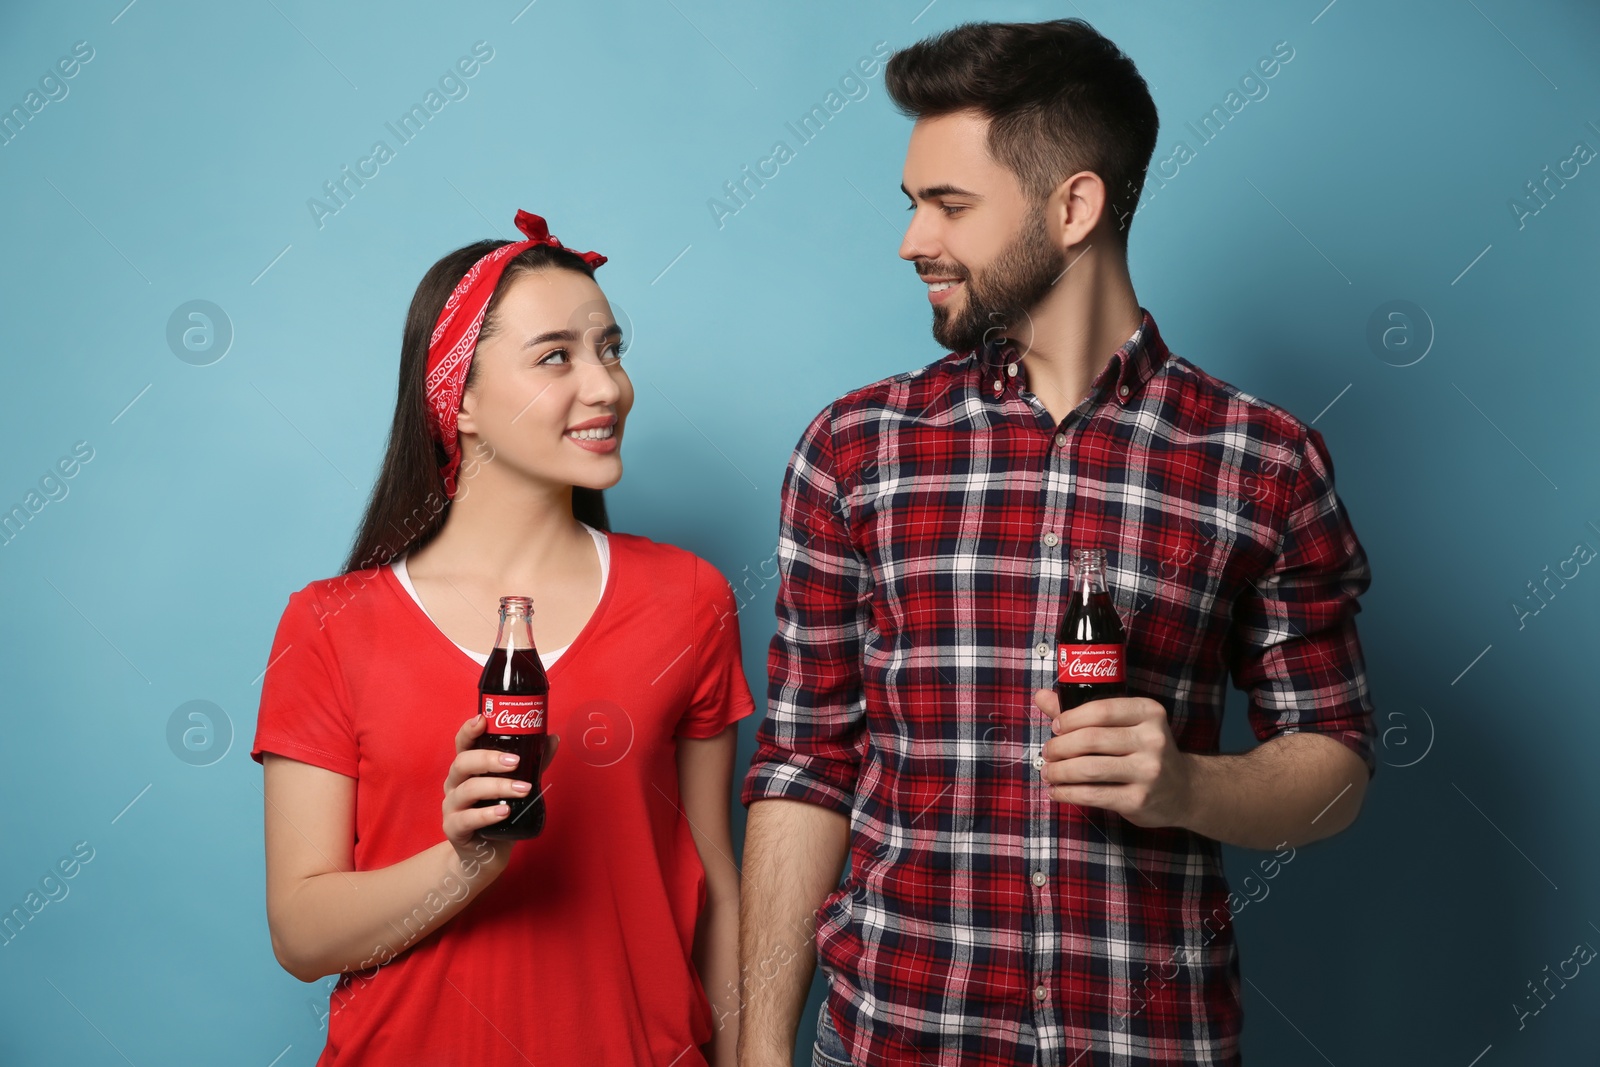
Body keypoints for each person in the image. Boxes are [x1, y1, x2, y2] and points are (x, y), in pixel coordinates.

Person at [737, 20, 1375, 1067]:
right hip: (896, 1038)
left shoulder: (1261, 460)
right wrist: (761, 1047)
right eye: (912, 204)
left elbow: (1335, 763)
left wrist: (1184, 785)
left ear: (1073, 205)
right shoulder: (856, 449)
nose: (912, 240)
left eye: (949, 205)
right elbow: (806, 765)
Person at [251, 209, 755, 1066]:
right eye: (556, 355)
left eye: (611, 348)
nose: (606, 387)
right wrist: (466, 863)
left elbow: (716, 884)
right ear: (461, 399)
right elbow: (303, 935)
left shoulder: (690, 598)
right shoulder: (329, 625)